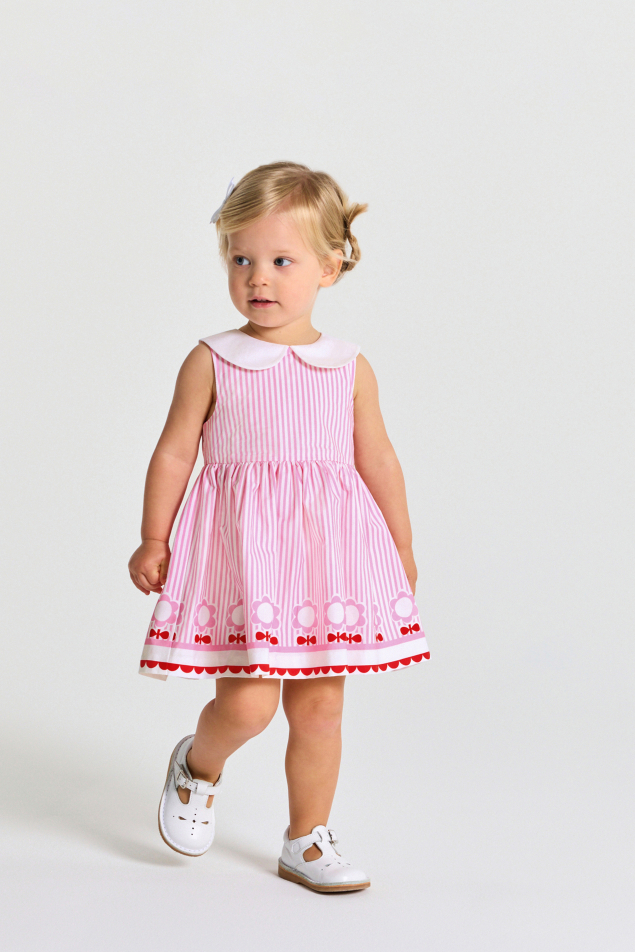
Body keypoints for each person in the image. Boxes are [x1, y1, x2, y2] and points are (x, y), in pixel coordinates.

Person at [127, 162, 430, 893]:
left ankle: (308, 839)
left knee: (321, 707)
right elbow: (175, 451)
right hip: (249, 557)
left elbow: (378, 459)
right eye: (242, 260)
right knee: (249, 704)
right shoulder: (214, 360)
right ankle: (198, 766)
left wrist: (400, 547)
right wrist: (155, 537)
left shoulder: (347, 366)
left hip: (328, 559)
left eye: (281, 261)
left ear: (331, 267)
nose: (258, 278)